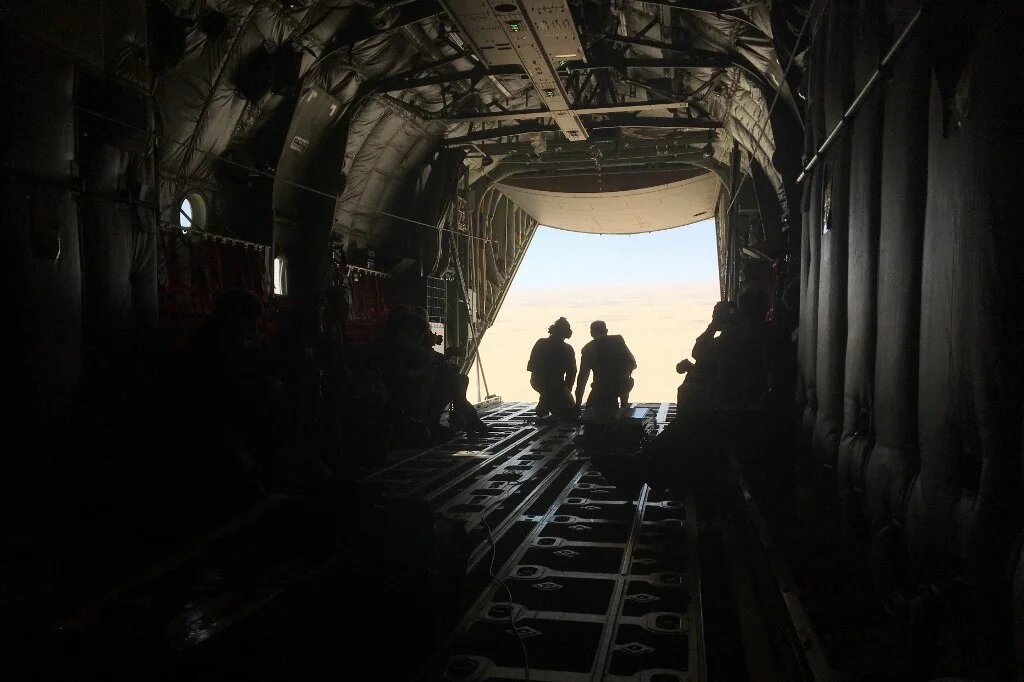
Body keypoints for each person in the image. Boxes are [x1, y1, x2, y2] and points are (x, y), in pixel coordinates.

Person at [575, 321, 636, 410]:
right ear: (606, 331)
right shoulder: (618, 341)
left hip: (602, 389)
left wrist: (577, 404)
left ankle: (620, 409)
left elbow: (582, 378)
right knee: (625, 379)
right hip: (624, 386)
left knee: (590, 411)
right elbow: (633, 364)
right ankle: (623, 407)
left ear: (591, 333)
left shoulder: (588, 349)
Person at [527, 317, 578, 420]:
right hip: (548, 383)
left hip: (542, 382)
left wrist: (564, 392)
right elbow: (571, 374)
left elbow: (532, 367)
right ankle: (544, 404)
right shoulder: (567, 349)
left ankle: (544, 405)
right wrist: (566, 392)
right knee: (570, 411)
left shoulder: (540, 343)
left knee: (565, 406)